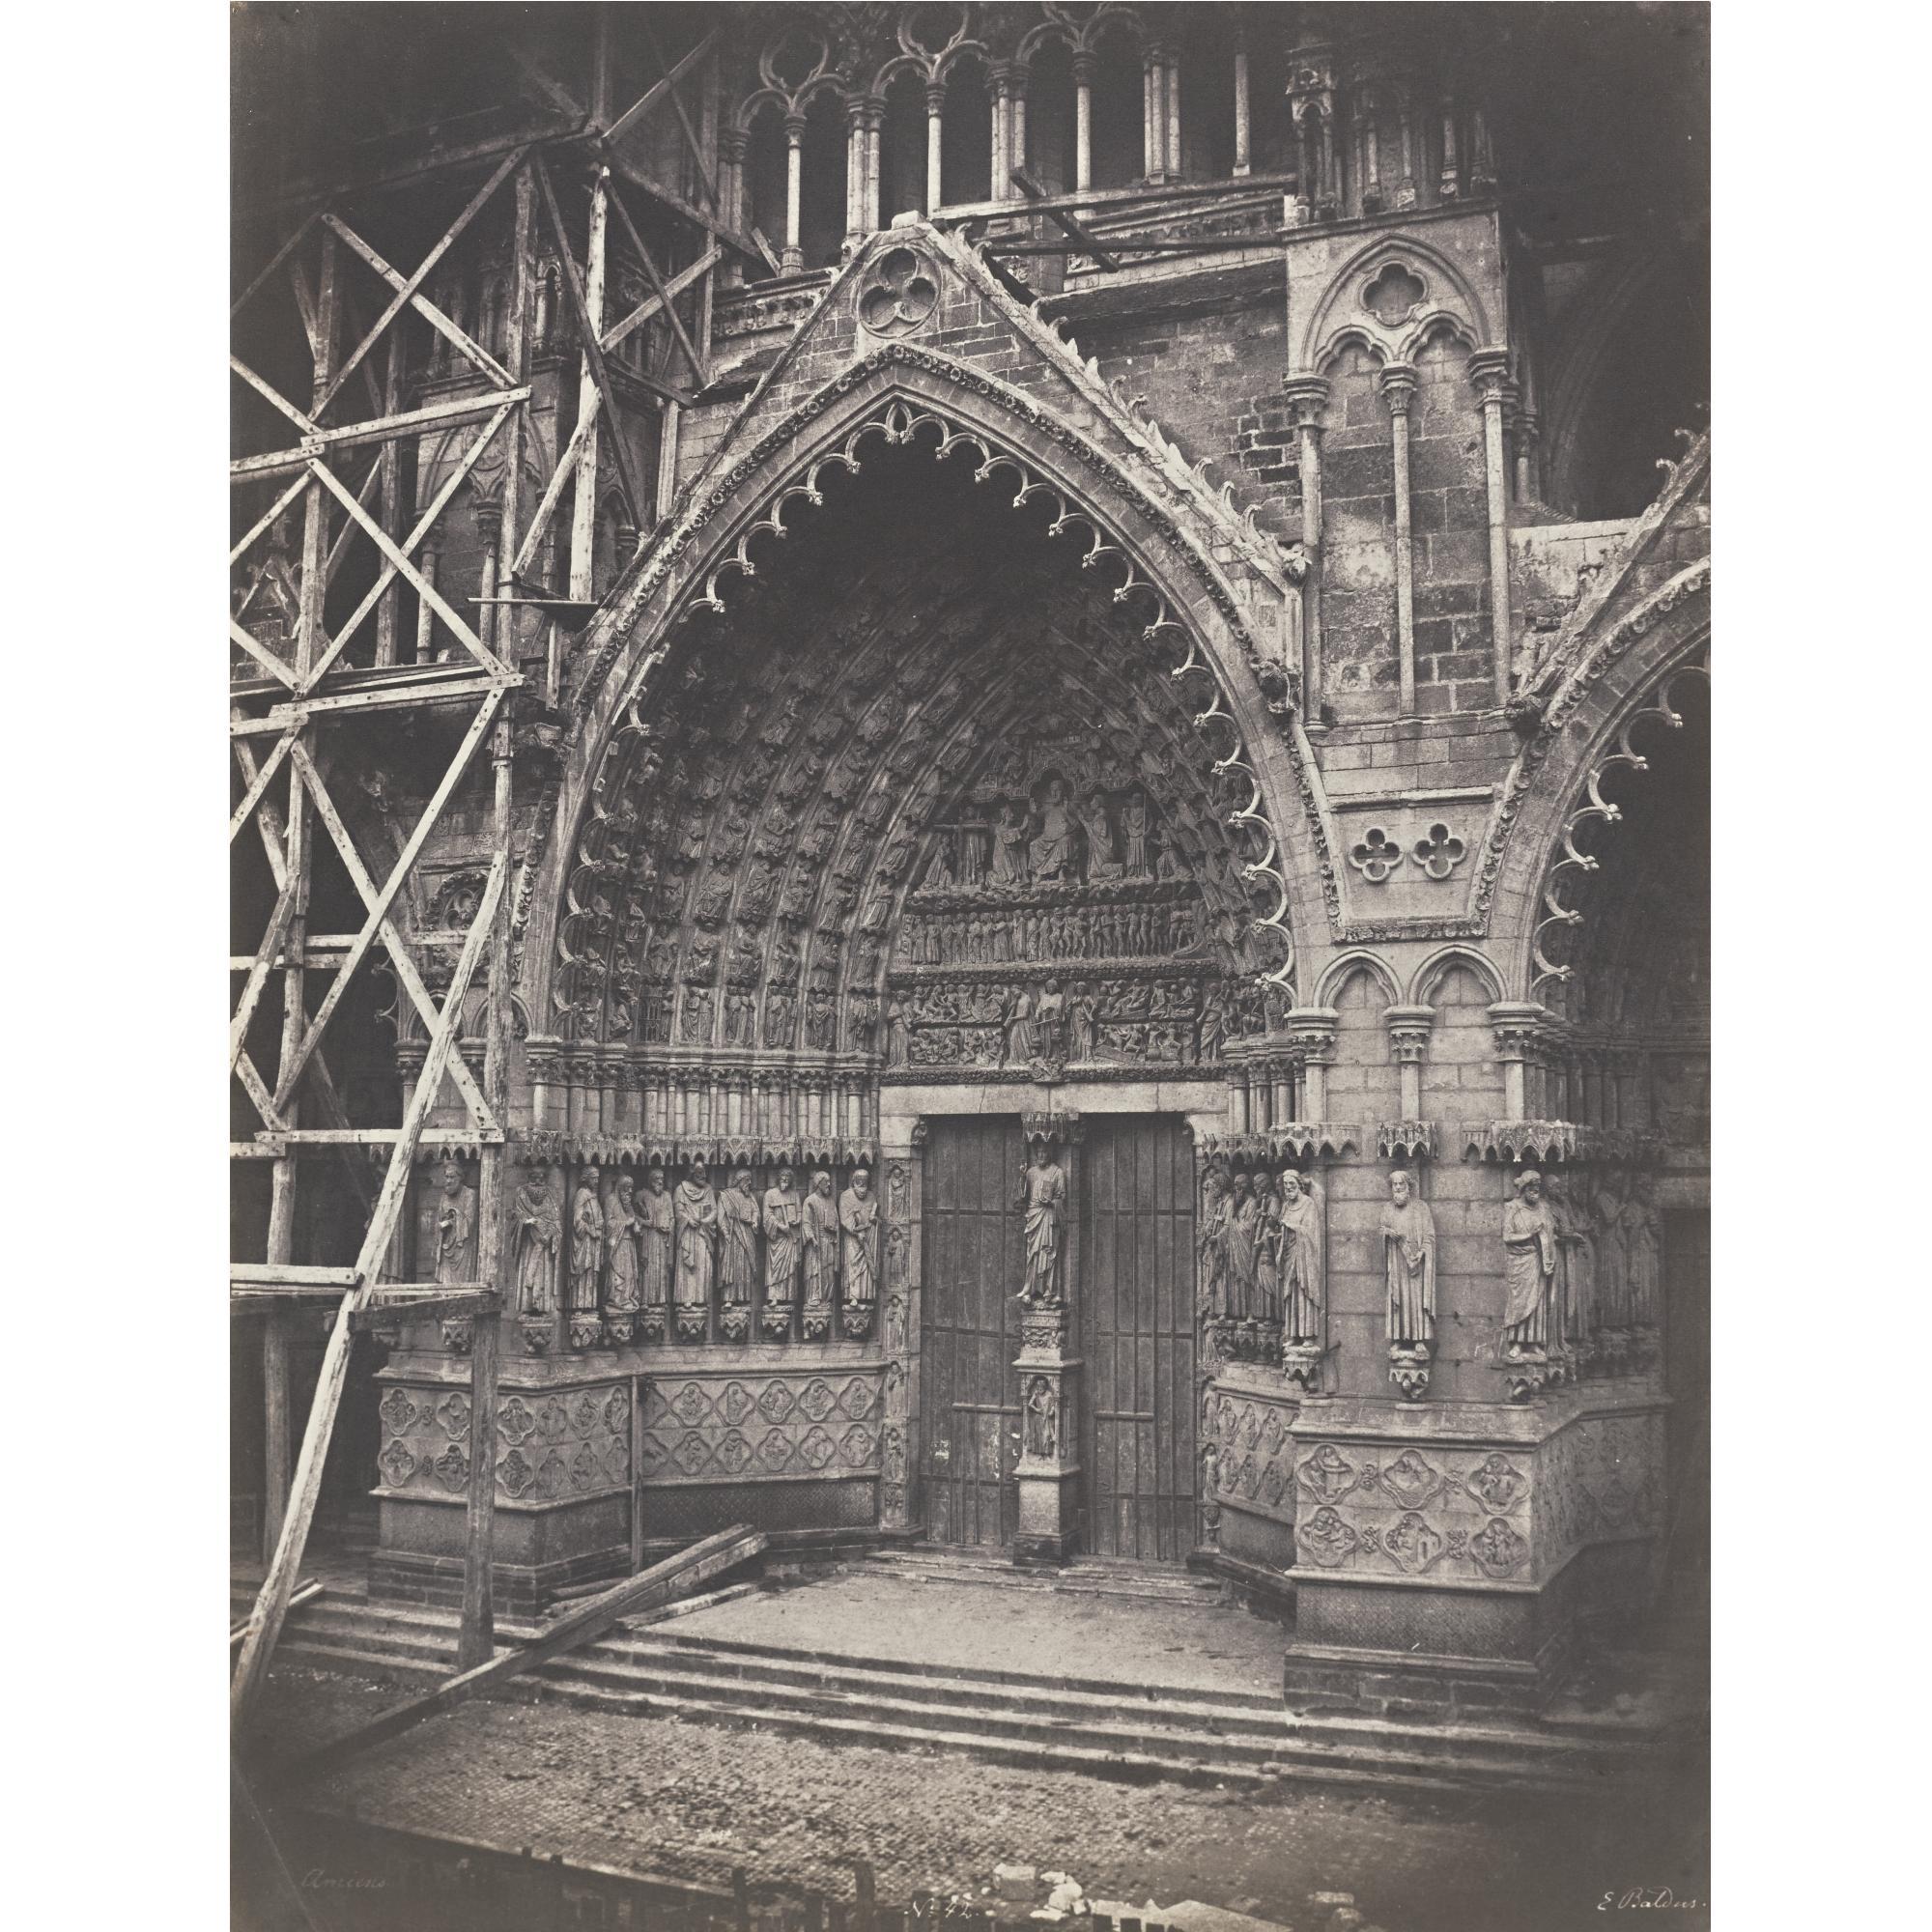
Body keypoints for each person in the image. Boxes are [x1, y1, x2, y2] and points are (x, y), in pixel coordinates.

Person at [1501, 1170, 1557, 1358]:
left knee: (1537, 1302)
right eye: (1531, 1189)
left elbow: (1549, 1233)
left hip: (1538, 1260)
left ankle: (1533, 1342)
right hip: (1519, 1261)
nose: (1535, 1193)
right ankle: (1516, 1342)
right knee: (1519, 1302)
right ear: (1523, 1189)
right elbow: (1507, 1236)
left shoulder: (1543, 1208)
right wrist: (1530, 1234)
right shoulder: (1513, 1207)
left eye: (1537, 1189)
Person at [1381, 1169, 1436, 1350]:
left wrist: (1422, 1253)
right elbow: (1381, 1230)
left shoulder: (1421, 1208)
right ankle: (1397, 1338)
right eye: (1394, 1185)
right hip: (1396, 1260)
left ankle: (1419, 1339)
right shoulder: (1388, 1209)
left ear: (1408, 1187)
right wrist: (1388, 1233)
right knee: (1397, 1298)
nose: (1397, 1188)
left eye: (1401, 1184)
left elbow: (1429, 1235)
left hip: (1414, 1260)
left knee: (1415, 1298)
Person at [1278, 1169, 1325, 1346]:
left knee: (1303, 1293)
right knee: (1291, 1295)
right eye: (1285, 1185)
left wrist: (1291, 1226)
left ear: (1299, 1185)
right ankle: (1292, 1334)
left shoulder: (1308, 1204)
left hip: (1304, 1256)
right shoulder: (1286, 1205)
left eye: (1291, 1184)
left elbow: (1310, 1231)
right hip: (1290, 1254)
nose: (1288, 1188)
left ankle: (1307, 1335)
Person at [1017, 1141, 1067, 1304]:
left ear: (1049, 1154)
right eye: (1038, 1153)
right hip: (1034, 1217)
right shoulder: (1031, 1173)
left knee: (1049, 1253)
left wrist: (1051, 1202)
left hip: (1048, 1217)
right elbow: (1023, 1197)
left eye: (1044, 1152)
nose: (1040, 1155)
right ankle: (1029, 1289)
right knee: (1032, 1254)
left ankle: (1049, 1291)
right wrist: (1023, 1177)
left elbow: (1062, 1198)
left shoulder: (1057, 1172)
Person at [673, 1160, 719, 1329]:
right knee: (688, 1267)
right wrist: (687, 1219)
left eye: (705, 1173)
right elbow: (677, 1211)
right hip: (687, 1233)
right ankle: (687, 1299)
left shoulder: (707, 1190)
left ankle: (700, 1299)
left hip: (702, 1233)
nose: (703, 1176)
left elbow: (712, 1210)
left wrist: (704, 1220)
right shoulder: (680, 1189)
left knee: (702, 1265)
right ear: (692, 1173)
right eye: (699, 1173)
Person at [512, 1170, 559, 1314]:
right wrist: (525, 1221)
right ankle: (527, 1305)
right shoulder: (520, 1192)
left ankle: (541, 1306)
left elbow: (556, 1219)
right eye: (534, 1177)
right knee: (528, 1269)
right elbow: (515, 1215)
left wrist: (550, 1234)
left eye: (541, 1177)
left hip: (544, 1243)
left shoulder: (551, 1194)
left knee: (542, 1271)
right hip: (528, 1242)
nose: (538, 1181)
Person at [719, 1168, 759, 1325]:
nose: (749, 1183)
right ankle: (728, 1298)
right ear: (739, 1180)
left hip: (747, 1234)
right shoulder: (726, 1195)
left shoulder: (751, 1197)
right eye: (747, 1180)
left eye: (750, 1180)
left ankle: (743, 1297)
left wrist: (755, 1221)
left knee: (745, 1267)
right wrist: (725, 1232)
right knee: (731, 1267)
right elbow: (721, 1216)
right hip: (733, 1236)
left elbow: (756, 1212)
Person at [839, 1168, 880, 1314]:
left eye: (865, 1182)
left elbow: (875, 1218)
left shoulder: (871, 1197)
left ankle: (866, 1295)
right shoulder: (846, 1196)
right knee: (852, 1265)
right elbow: (844, 1217)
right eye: (859, 1182)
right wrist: (856, 1232)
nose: (862, 1185)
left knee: (867, 1269)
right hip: (853, 1238)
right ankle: (853, 1296)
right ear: (854, 1182)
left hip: (868, 1238)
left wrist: (874, 1220)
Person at [430, 1158, 476, 1287]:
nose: (448, 1181)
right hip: (446, 1246)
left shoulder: (469, 1194)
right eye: (446, 1177)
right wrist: (441, 1226)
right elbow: (438, 1220)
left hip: (461, 1248)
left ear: (460, 1178)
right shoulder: (444, 1197)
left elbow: (469, 1221)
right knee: (445, 1285)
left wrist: (451, 1222)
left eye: (452, 1177)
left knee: (461, 1283)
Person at [802, 1170, 839, 1319]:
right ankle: (813, 1297)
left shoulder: (830, 1201)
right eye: (826, 1182)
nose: (829, 1184)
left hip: (829, 1242)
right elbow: (806, 1222)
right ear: (818, 1183)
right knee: (814, 1271)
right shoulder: (810, 1201)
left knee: (828, 1272)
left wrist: (834, 1230)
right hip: (815, 1243)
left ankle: (826, 1298)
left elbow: (836, 1220)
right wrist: (812, 1237)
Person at [604, 1171, 641, 1315]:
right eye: (627, 1188)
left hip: (628, 1243)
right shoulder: (611, 1200)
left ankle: (626, 1298)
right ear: (619, 1187)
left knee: (629, 1274)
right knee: (618, 1272)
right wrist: (626, 1223)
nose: (630, 1191)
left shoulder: (627, 1204)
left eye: (631, 1188)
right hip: (617, 1244)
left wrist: (636, 1226)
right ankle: (616, 1300)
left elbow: (634, 1221)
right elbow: (608, 1223)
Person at [639, 1166, 674, 1317]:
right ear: (650, 1181)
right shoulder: (642, 1195)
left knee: (661, 1268)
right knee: (647, 1268)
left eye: (662, 1179)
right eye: (657, 1179)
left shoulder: (667, 1196)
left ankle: (661, 1299)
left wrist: (669, 1228)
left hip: (662, 1238)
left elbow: (672, 1217)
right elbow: (631, 1215)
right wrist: (646, 1222)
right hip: (649, 1237)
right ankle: (644, 1299)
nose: (660, 1182)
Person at [569, 1164, 604, 1312]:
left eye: (598, 1178)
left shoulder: (594, 1197)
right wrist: (590, 1230)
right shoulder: (582, 1194)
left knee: (592, 1274)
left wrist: (599, 1226)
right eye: (593, 1178)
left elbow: (599, 1217)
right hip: (584, 1241)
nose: (596, 1181)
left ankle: (590, 1304)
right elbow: (577, 1220)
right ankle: (579, 1306)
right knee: (583, 1271)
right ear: (586, 1179)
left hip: (594, 1241)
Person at [1028, 779, 1075, 882]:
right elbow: (1035, 825)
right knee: (1034, 844)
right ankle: (1041, 872)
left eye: (1057, 790)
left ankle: (1061, 872)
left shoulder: (1068, 807)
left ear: (1063, 792)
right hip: (1047, 839)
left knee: (1065, 841)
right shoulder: (1047, 809)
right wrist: (1034, 813)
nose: (1054, 793)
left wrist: (1066, 812)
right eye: (1052, 790)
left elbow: (1077, 826)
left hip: (1062, 838)